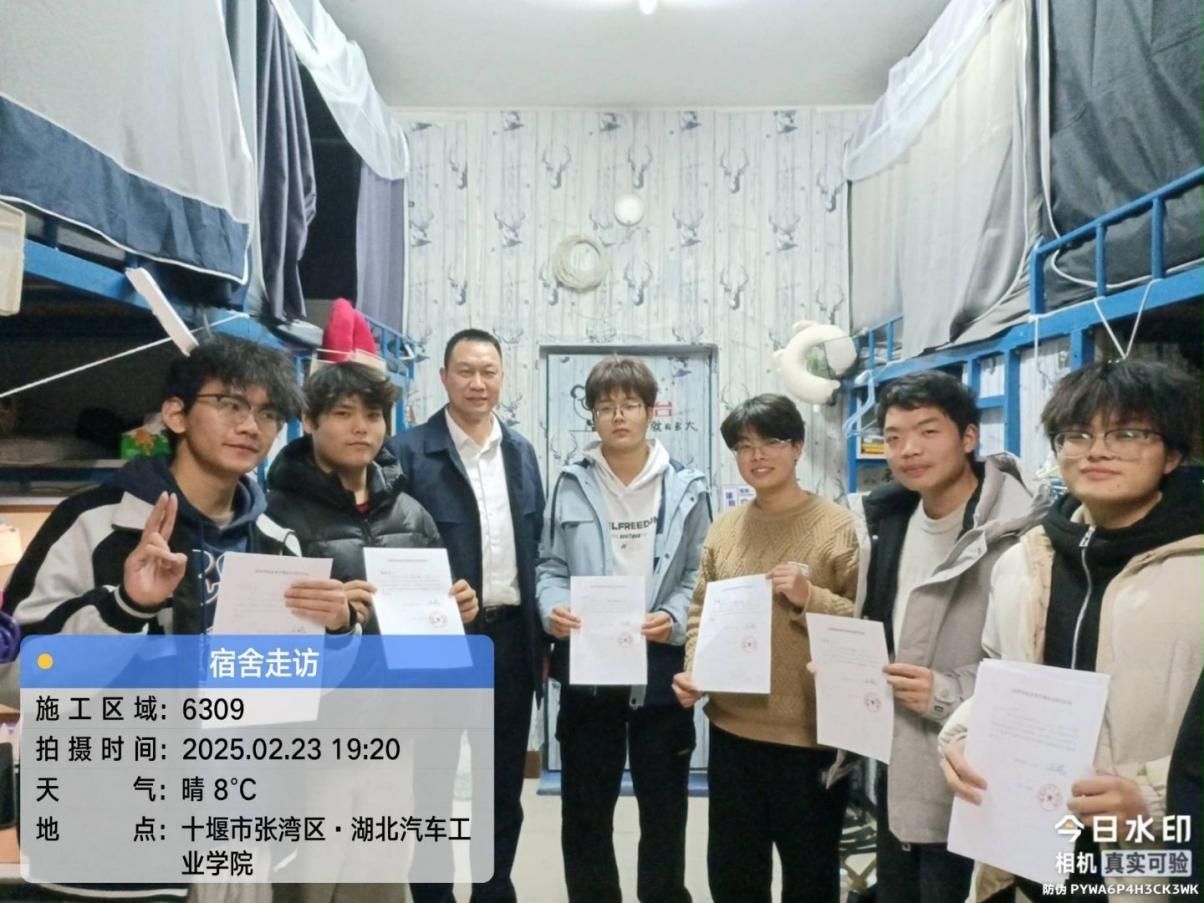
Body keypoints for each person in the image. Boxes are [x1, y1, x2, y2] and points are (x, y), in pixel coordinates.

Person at [3, 335, 352, 902]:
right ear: (176, 414)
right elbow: (16, 677)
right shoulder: (94, 524)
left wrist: (338, 635)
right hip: (108, 839)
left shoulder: (277, 544)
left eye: (268, 413)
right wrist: (126, 609)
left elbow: (297, 696)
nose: (251, 426)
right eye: (230, 404)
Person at [939, 359, 1203, 903]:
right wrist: (964, 736)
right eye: (1077, 434)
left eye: (1127, 434)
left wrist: (1155, 799)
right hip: (1032, 850)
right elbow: (998, 676)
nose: (1096, 451)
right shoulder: (1024, 561)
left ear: (1173, 455)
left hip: (1150, 863)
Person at [265, 361, 480, 903]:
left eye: (373, 414)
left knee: (379, 877)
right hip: (310, 738)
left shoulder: (411, 514)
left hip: (395, 730)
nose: (362, 427)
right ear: (308, 421)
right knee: (307, 878)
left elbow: (433, 628)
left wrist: (457, 612)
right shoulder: (274, 515)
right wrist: (331, 622)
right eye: (343, 414)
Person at [850, 371, 1047, 903]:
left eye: (928, 431)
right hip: (895, 768)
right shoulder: (886, 523)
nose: (909, 449)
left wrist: (944, 692)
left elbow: (1037, 666)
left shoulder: (1021, 538)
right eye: (893, 437)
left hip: (973, 776)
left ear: (968, 437)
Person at [672, 394, 859, 903]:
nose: (756, 456)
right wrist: (694, 670)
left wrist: (810, 597)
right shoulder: (726, 527)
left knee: (809, 878)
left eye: (771, 442)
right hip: (733, 733)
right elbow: (701, 610)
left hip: (809, 740)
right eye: (743, 446)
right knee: (734, 877)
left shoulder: (838, 527)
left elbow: (867, 627)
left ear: (797, 446)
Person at [536, 358, 710, 903]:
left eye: (630, 405)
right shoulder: (570, 483)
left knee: (665, 812)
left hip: (660, 670)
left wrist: (675, 618)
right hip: (590, 672)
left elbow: (699, 572)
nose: (618, 416)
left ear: (650, 411)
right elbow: (549, 566)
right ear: (592, 415)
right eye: (606, 406)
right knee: (586, 813)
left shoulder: (686, 486)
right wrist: (553, 608)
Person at [389, 329, 545, 903]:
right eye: (465, 371)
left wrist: (542, 645)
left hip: (512, 643)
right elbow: (390, 550)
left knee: (501, 783)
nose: (478, 383)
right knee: (431, 783)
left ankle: (493, 889)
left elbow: (535, 551)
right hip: (438, 645)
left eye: (489, 371)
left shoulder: (520, 452)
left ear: (502, 377)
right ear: (444, 378)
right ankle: (433, 894)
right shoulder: (407, 453)